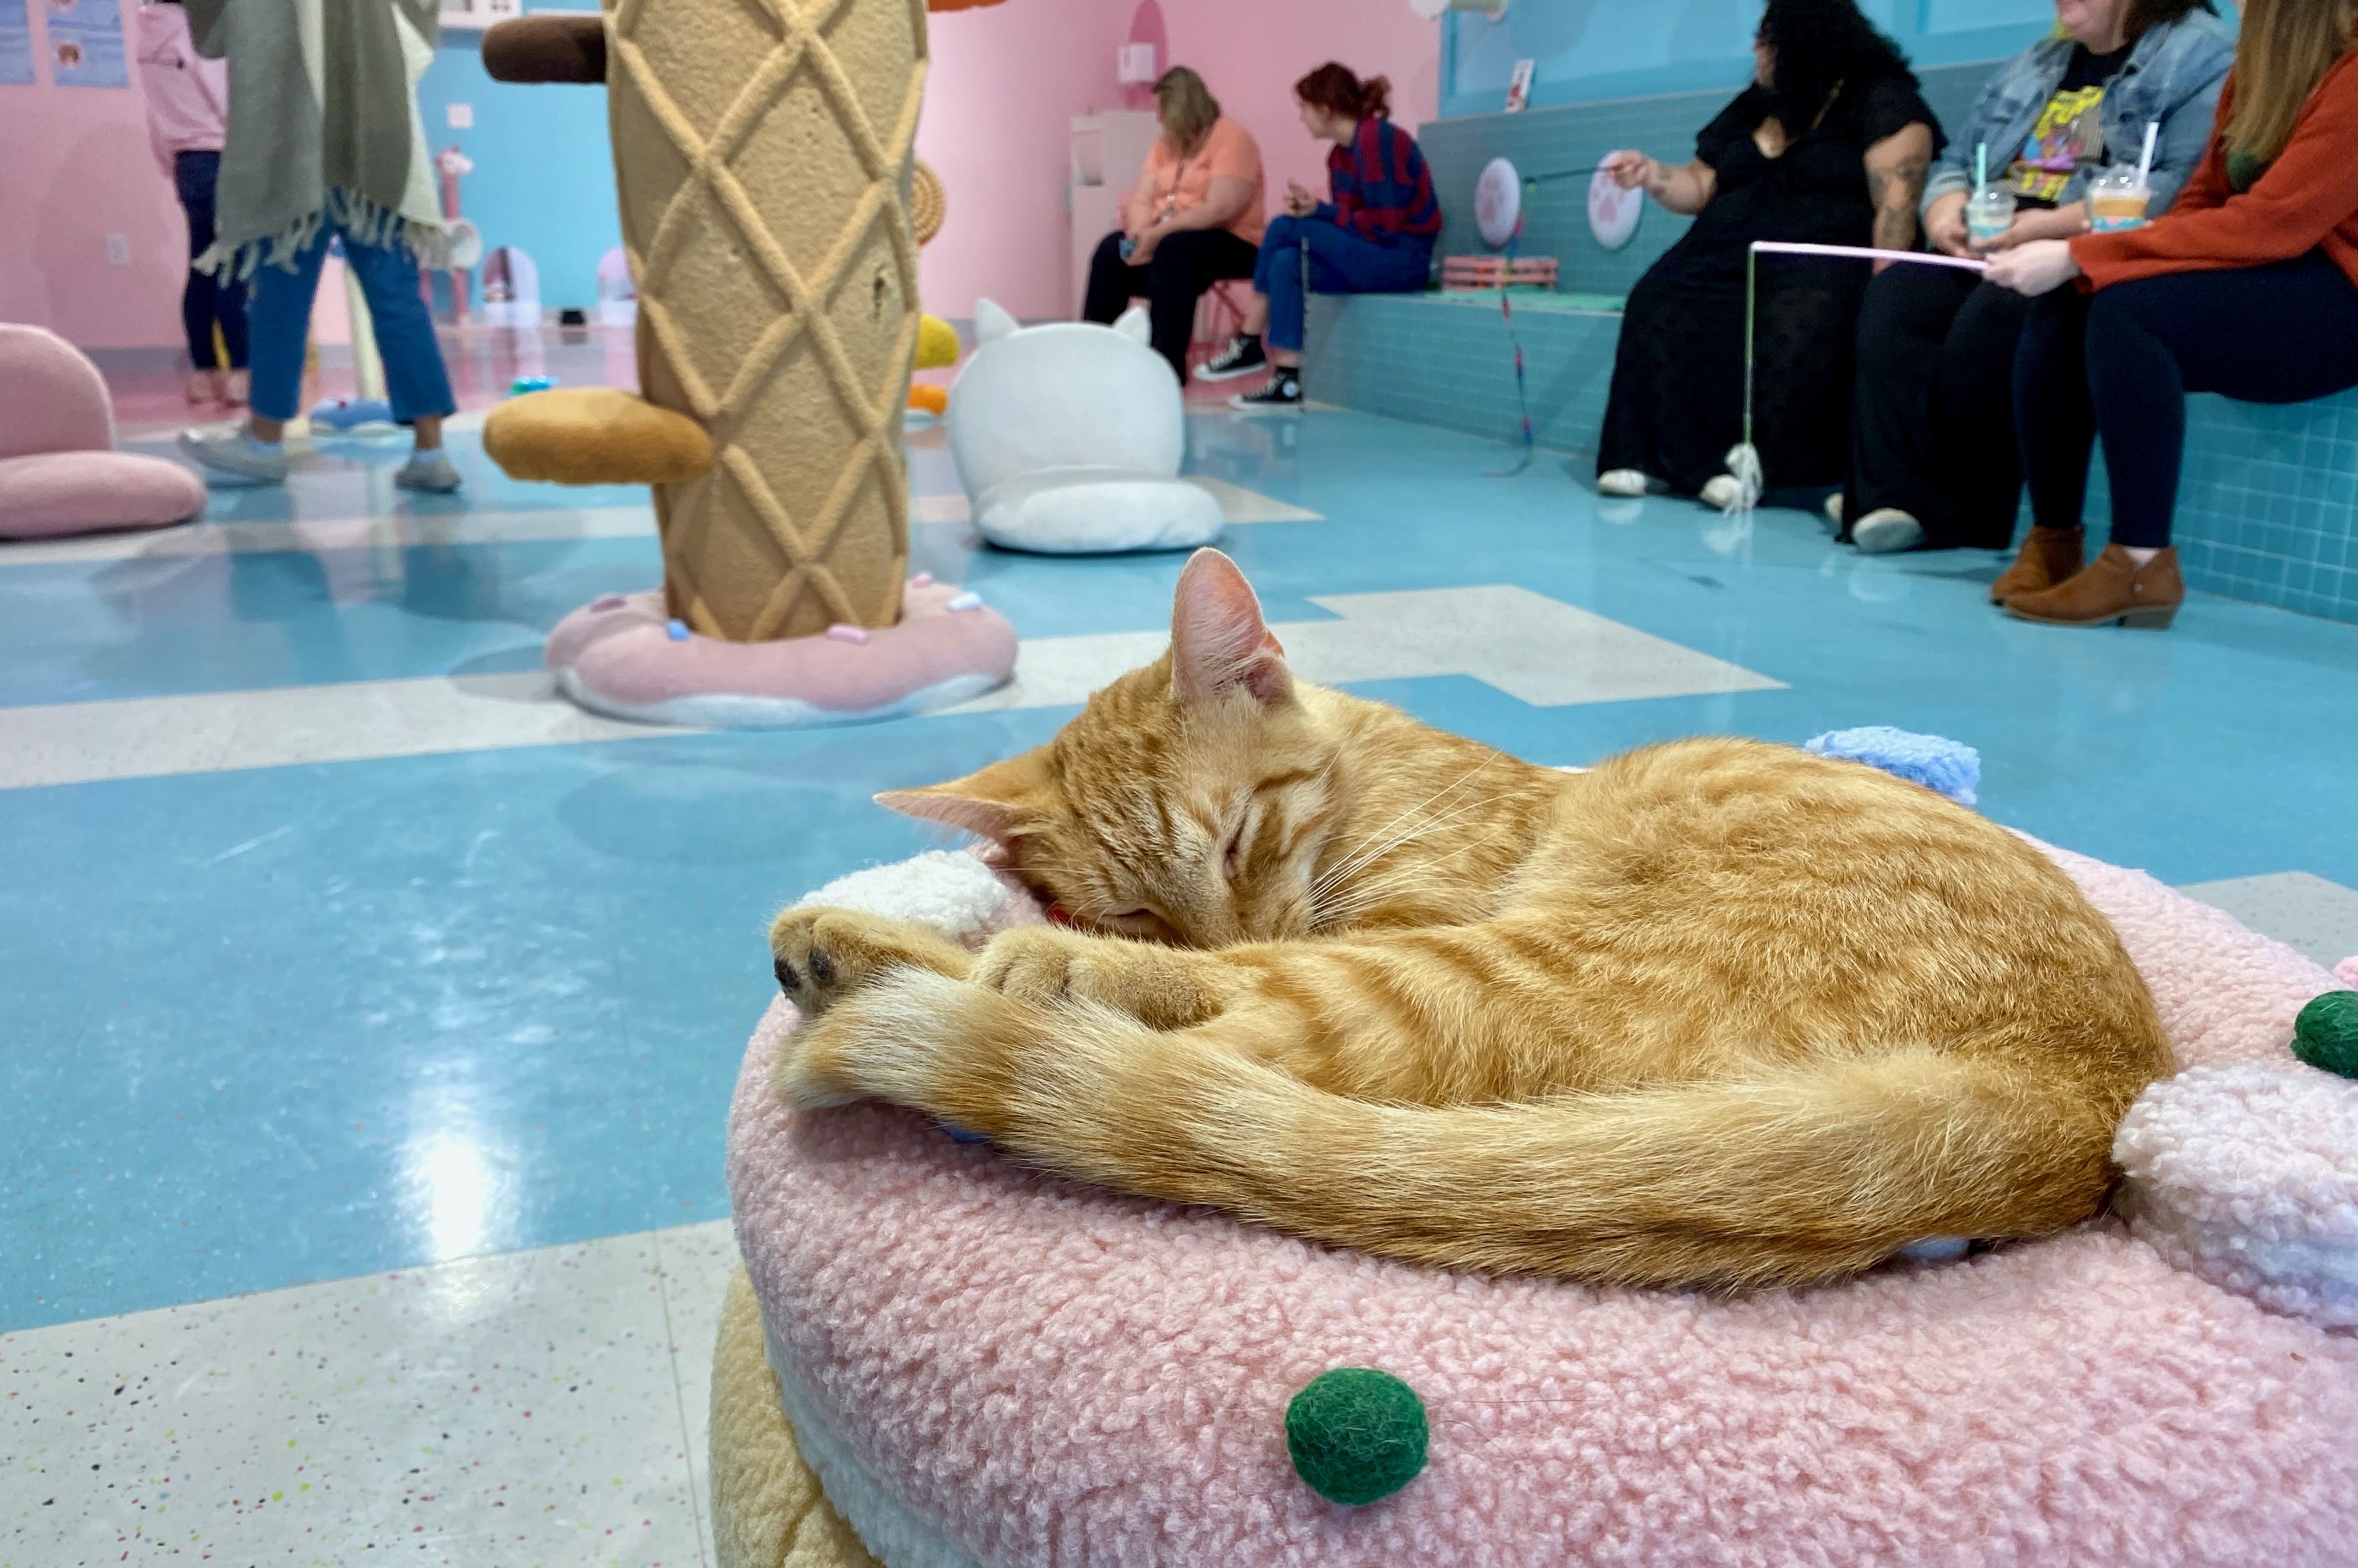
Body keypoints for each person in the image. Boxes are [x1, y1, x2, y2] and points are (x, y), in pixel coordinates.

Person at [1980, 0, 2356, 628]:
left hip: (2339, 298)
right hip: (2267, 274)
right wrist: (2090, 264)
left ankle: (2139, 561)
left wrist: (2081, 250)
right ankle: (2052, 540)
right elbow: (2203, 202)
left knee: (2129, 308)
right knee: (2075, 297)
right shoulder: (2258, 71)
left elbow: (2274, 224)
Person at [1837, 0, 2231, 555]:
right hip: (1989, 234)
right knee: (1895, 297)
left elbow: (2176, 186)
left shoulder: (2198, 53)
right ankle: (1890, 500)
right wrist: (1945, 212)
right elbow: (1955, 162)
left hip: (2075, 244)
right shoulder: (2038, 62)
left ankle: (1964, 515)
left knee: (1999, 310)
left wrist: (2047, 226)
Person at [1595, 0, 1943, 511]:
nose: (1755, 51)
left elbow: (1896, 205)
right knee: (1659, 293)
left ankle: (1754, 464)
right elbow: (1699, 187)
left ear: (1804, 45)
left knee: (1794, 312)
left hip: (1820, 261)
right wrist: (1651, 174)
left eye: (1766, 39)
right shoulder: (1752, 106)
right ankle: (1662, 461)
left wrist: (1885, 288)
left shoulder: (1882, 102)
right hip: (1722, 254)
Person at [173, 0, 461, 493]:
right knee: (396, 295)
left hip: (290, 134)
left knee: (279, 296)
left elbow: (214, 31)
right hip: (375, 128)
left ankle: (265, 442)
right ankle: (430, 449)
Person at [1196, 63, 1440, 411]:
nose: (1302, 118)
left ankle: (1249, 340)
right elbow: (1351, 223)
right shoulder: (1338, 157)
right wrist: (1318, 210)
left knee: (1282, 227)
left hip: (1402, 259)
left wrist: (1320, 213)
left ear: (1325, 110)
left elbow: (1386, 225)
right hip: (1373, 255)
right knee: (1286, 263)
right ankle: (1287, 379)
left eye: (1305, 109)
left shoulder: (1376, 139)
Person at [1080, 67, 1267, 383]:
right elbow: (1142, 197)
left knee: (1175, 250)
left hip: (1233, 240)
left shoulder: (1232, 138)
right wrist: (1139, 233)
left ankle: (1164, 367)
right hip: (1173, 241)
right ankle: (1094, 357)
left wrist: (1158, 233)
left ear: (1182, 109)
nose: (1159, 119)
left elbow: (1221, 208)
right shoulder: (1164, 145)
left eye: (1163, 110)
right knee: (1111, 249)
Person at [135, 0, 249, 409]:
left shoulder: (148, 33)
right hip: (223, 154)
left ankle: (203, 375)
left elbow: (154, 110)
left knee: (201, 267)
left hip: (187, 161)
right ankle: (241, 371)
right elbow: (225, 97)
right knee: (232, 269)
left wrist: (170, 161)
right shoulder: (198, 29)